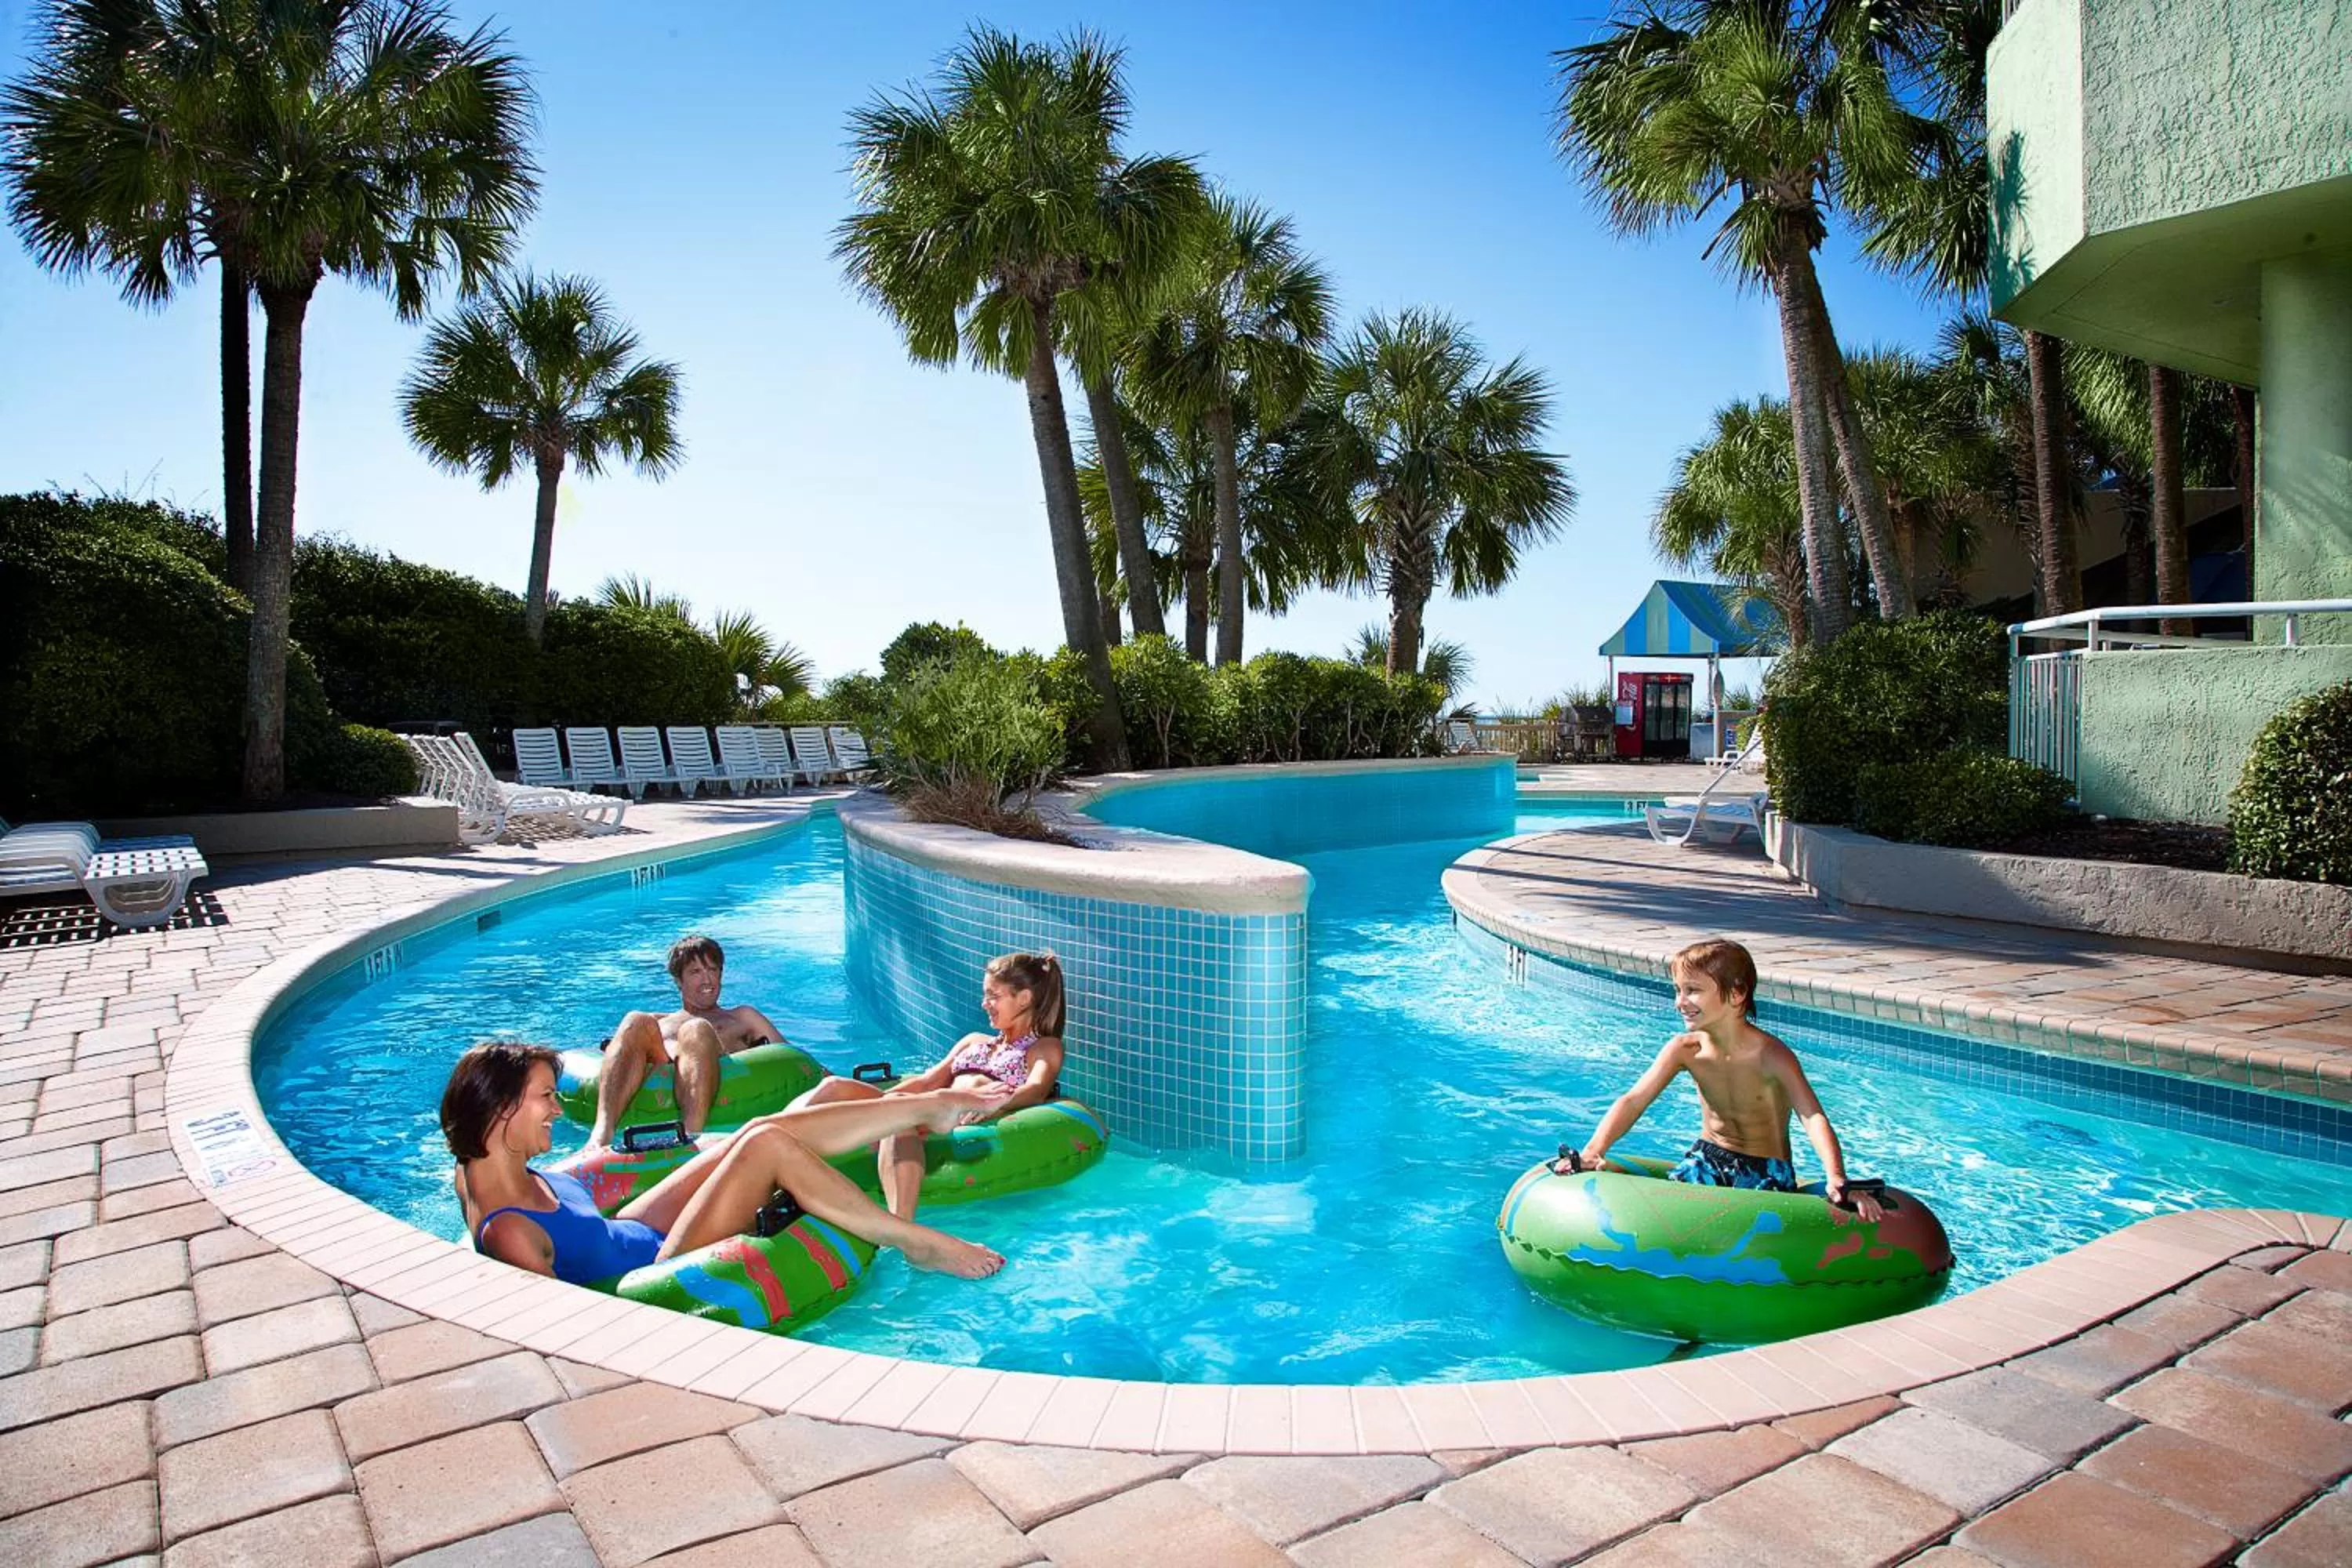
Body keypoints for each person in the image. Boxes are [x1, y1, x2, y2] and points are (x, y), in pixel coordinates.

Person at [446, 1040, 1007, 1287]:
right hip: (652, 1264)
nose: (554, 1110)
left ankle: (929, 1107)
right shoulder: (513, 1234)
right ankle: (914, 1240)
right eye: (545, 1097)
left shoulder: (475, 1168)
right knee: (767, 1146)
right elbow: (566, 1336)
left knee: (753, 1130)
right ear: (502, 1109)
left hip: (633, 1229)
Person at [1552, 938, 1885, 1221]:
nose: (1680, 1002)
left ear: (1736, 994)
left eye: (1693, 991)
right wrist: (1594, 1151)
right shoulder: (1685, 1049)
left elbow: (1812, 1117)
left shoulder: (1771, 1055)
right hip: (1707, 1157)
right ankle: (1605, 1168)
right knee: (1662, 1214)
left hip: (1765, 1170)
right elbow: (1634, 1100)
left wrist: (1836, 1177)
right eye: (1678, 990)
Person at [788, 952, 1067, 1221]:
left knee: (898, 1118)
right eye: (985, 995)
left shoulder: (1044, 1047)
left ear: (1024, 999)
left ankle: (901, 1226)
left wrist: (994, 1104)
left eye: (993, 996)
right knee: (835, 1086)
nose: (985, 1003)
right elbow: (928, 1082)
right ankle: (778, 1144)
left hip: (955, 1118)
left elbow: (1036, 1090)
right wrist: (876, 1104)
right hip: (932, 1105)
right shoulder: (974, 1041)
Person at [590, 934, 784, 1148]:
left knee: (696, 1029)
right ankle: (602, 1135)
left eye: (713, 970)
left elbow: (790, 1058)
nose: (707, 980)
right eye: (696, 972)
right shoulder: (659, 1022)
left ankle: (691, 1137)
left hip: (714, 1072)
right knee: (635, 1019)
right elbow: (615, 1056)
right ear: (679, 980)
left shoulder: (742, 1017)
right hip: (662, 1063)